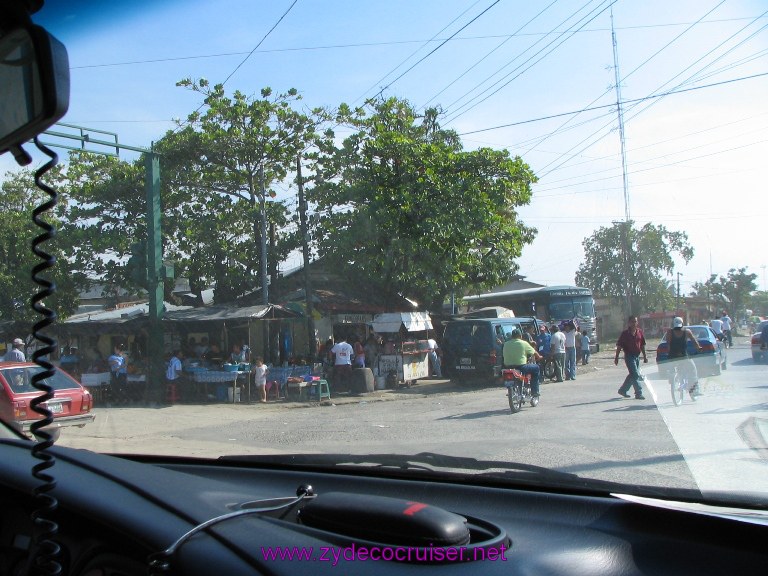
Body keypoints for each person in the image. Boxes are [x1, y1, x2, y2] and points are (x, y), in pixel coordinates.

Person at [663, 317, 703, 399]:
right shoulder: (686, 332)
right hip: (684, 356)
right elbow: (694, 341)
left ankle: (672, 378)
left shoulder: (669, 332)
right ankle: (694, 390)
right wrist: (698, 347)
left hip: (672, 356)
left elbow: (668, 344)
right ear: (682, 324)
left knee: (672, 368)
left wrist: (669, 355)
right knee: (692, 370)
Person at [502, 329, 542, 398]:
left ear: (512, 336)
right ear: (520, 336)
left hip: (508, 367)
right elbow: (534, 352)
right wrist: (539, 357)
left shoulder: (506, 344)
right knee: (536, 368)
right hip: (521, 366)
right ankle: (535, 391)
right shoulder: (523, 343)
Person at [615, 316, 648, 400]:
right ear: (629, 323)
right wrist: (616, 357)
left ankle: (623, 390)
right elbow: (619, 346)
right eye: (632, 322)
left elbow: (642, 345)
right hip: (629, 356)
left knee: (632, 374)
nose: (634, 323)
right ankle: (638, 393)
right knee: (635, 374)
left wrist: (644, 356)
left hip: (637, 356)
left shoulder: (639, 332)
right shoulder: (625, 334)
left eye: (635, 321)